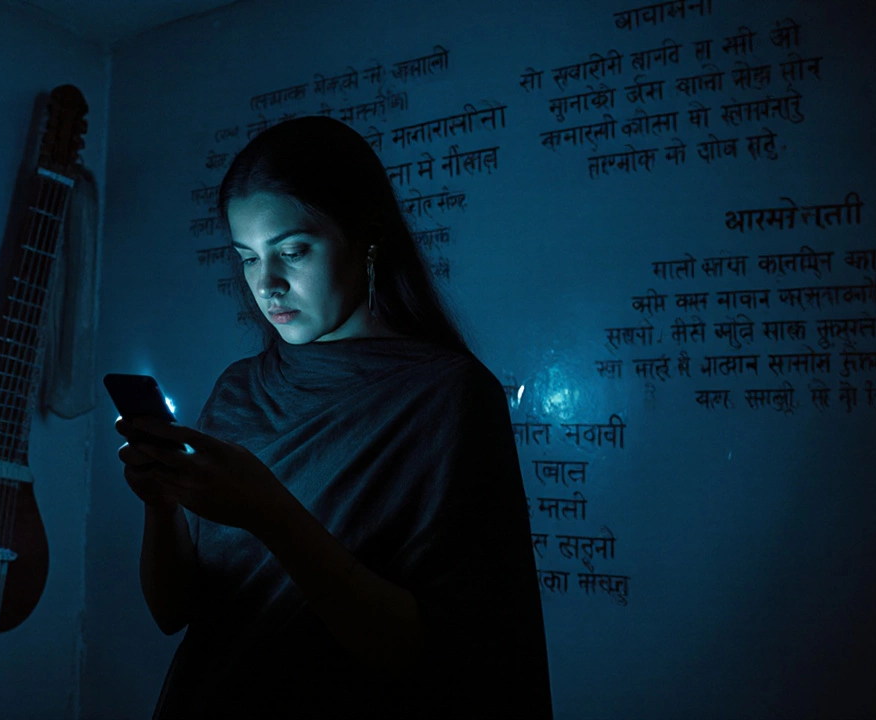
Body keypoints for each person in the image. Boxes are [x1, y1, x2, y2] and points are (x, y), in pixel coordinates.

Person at [115, 116, 552, 719]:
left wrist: (270, 513)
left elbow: (437, 652)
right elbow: (174, 614)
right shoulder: (239, 390)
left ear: (364, 235)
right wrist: (160, 505)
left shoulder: (448, 396)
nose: (266, 285)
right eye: (247, 258)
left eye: (292, 251)